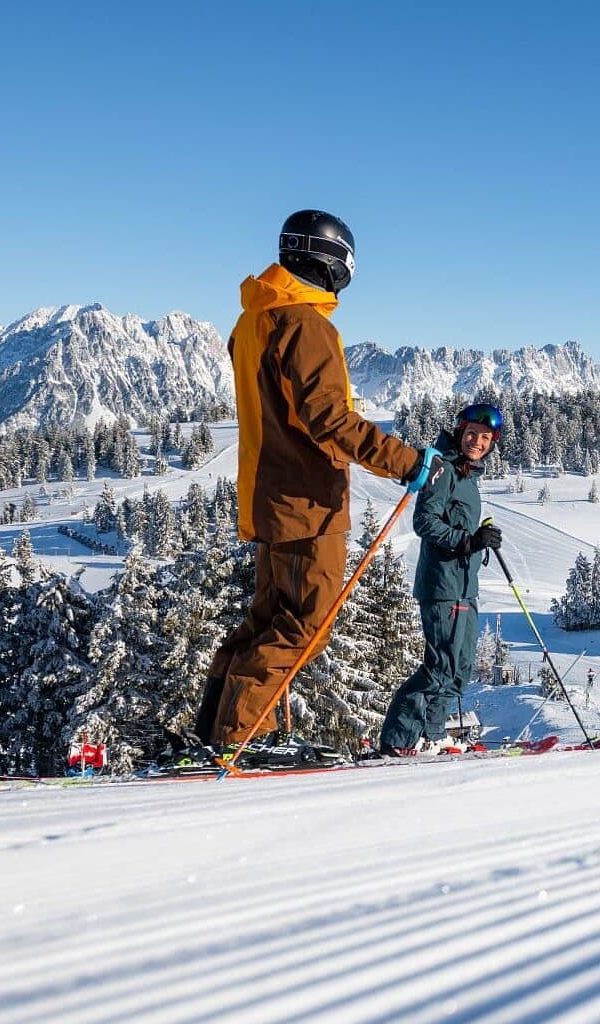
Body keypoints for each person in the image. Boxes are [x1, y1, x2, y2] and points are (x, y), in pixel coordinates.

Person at [195, 209, 441, 753]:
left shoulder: (255, 319)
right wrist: (404, 460)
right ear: (332, 260)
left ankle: (213, 731)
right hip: (308, 505)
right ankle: (237, 742)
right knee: (302, 626)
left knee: (265, 622)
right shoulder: (306, 324)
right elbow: (329, 420)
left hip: (269, 499)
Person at [379, 402, 505, 755]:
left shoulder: (468, 475)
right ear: (460, 432)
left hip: (465, 586)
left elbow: (456, 523)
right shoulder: (444, 469)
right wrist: (467, 541)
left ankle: (432, 736)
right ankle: (398, 739)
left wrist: (480, 536)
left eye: (484, 438)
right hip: (442, 586)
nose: (476, 442)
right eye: (471, 434)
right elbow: (425, 522)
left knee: (460, 668)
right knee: (440, 667)